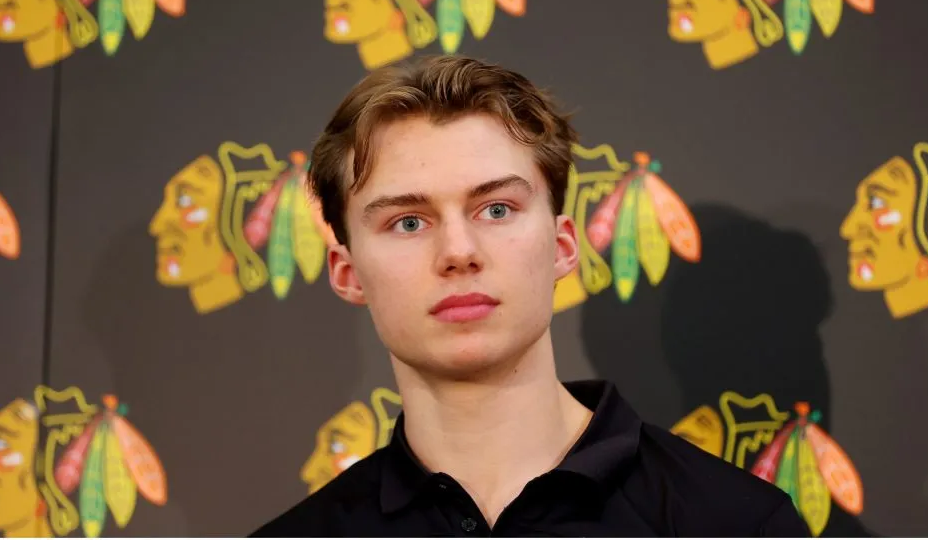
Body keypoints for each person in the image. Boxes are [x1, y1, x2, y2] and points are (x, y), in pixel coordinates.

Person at [250, 55, 809, 537]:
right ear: (347, 273)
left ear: (563, 246)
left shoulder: (735, 525)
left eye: (496, 209)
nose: (458, 251)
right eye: (408, 222)